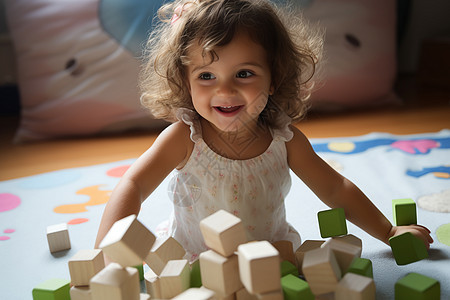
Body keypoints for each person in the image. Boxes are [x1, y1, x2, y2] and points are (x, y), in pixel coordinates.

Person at [95, 0, 432, 261]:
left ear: (274, 78)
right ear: (185, 81)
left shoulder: (285, 141)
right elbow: (134, 184)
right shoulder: (185, 137)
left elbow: (336, 189)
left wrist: (389, 231)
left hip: (272, 257)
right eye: (206, 76)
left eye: (244, 74)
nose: (225, 91)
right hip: (195, 259)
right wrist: (106, 249)